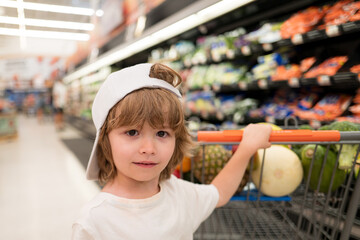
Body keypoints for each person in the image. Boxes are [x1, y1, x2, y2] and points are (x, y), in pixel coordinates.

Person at [72, 63, 272, 240]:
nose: (149, 149)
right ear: (105, 139)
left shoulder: (178, 193)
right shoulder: (94, 222)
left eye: (162, 133)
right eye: (132, 132)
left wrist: (246, 148)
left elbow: (218, 194)